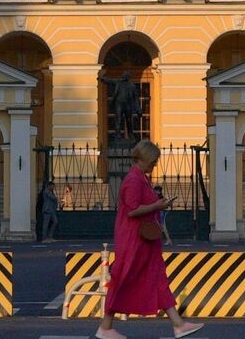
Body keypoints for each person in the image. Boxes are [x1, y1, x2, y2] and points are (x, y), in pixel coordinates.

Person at [97, 139, 200, 339]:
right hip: (135, 241)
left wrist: (157, 204)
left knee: (156, 277)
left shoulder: (141, 178)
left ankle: (178, 323)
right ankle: (106, 326)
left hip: (144, 240)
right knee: (124, 278)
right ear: (143, 159)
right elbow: (133, 210)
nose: (154, 165)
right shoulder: (134, 180)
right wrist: (157, 206)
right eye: (152, 162)